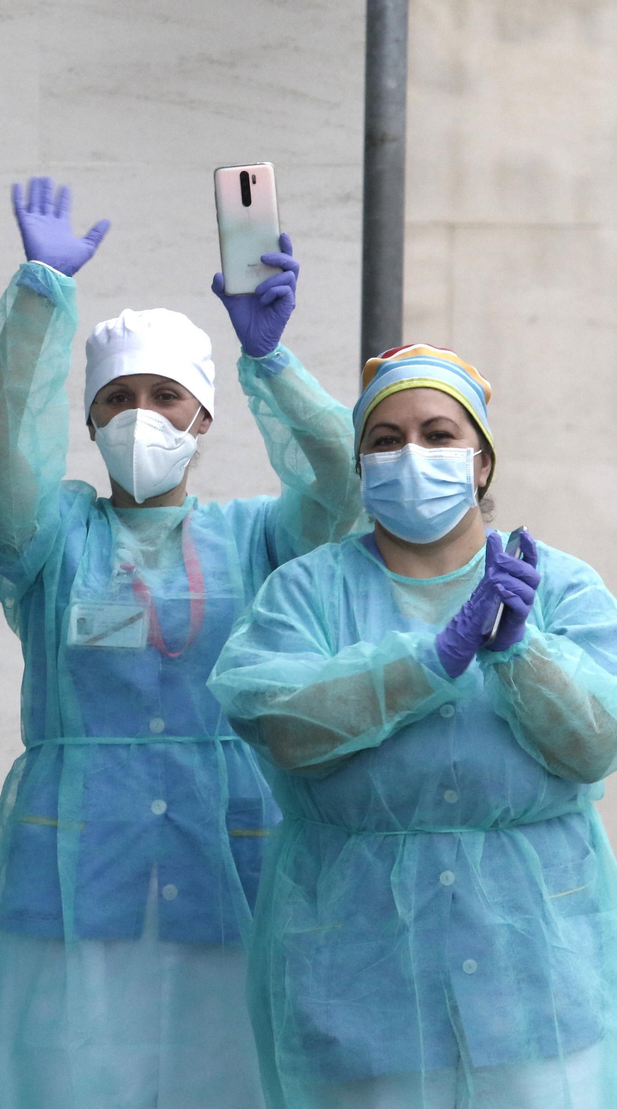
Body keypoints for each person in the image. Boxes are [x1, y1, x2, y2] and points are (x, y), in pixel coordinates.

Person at [0, 177, 364, 1108]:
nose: (141, 416)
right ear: (87, 418)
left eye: (166, 396)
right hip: (77, 888)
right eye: (118, 397)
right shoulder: (51, 540)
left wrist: (272, 359)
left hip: (230, 880)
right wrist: (40, 293)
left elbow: (343, 482)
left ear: (204, 417)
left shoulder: (260, 538)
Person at [209, 344, 617, 1108]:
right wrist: (429, 661)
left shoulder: (554, 585)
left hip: (532, 985)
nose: (412, 454)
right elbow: (279, 722)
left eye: (438, 435)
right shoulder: (306, 589)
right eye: (386, 440)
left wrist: (522, 656)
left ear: (482, 462)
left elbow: (597, 740)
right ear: (361, 465)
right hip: (363, 987)